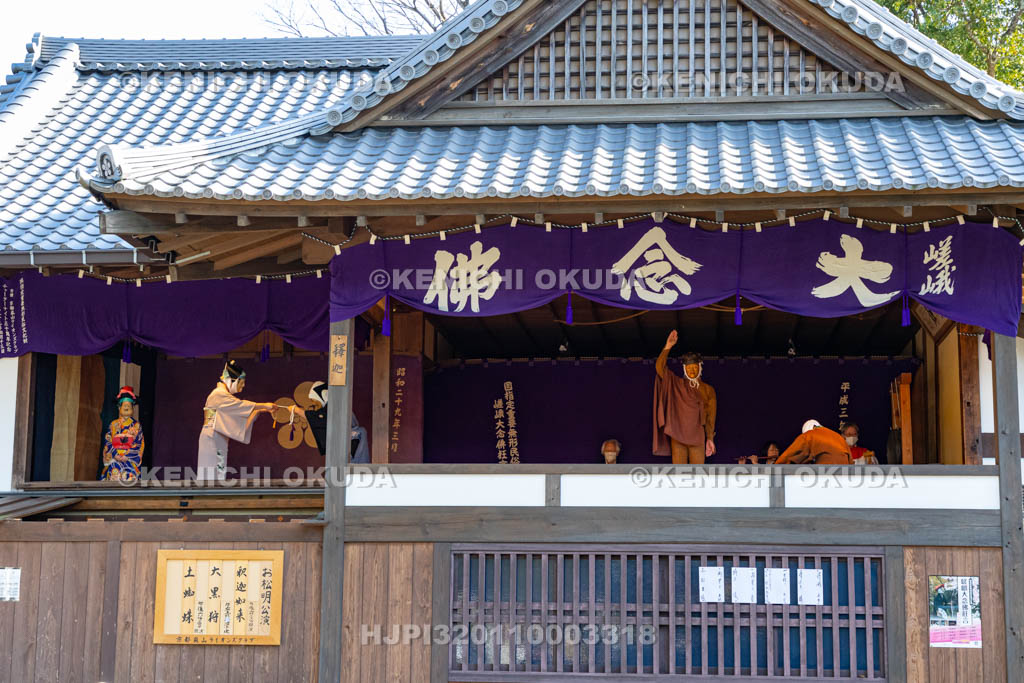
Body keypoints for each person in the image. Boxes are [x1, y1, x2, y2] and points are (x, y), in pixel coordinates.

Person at [197, 360, 276, 480]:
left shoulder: (223, 396)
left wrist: (260, 410)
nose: (243, 386)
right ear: (232, 380)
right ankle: (207, 497)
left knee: (218, 472)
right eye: (241, 382)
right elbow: (240, 406)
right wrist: (264, 405)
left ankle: (214, 496)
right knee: (211, 472)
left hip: (217, 435)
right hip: (211, 435)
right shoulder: (218, 394)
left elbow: (240, 411)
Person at [653, 330, 717, 464]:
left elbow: (711, 417)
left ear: (700, 367)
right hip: (677, 434)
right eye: (688, 368)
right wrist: (668, 346)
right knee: (679, 474)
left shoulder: (708, 389)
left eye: (694, 367)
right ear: (684, 369)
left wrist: (710, 438)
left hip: (698, 435)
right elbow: (660, 368)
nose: (692, 371)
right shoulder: (676, 383)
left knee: (698, 474)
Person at [299, 381, 369, 463]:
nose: (315, 405)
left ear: (322, 396)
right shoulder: (334, 408)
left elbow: (317, 418)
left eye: (315, 401)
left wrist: (295, 410)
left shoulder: (334, 407)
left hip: (353, 445)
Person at [100, 386, 144, 482]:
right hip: (114, 459)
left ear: (133, 408)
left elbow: (139, 444)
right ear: (119, 407)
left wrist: (126, 456)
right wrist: (115, 454)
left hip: (129, 460)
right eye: (124, 406)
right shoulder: (113, 424)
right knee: (113, 473)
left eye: (129, 406)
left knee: (129, 479)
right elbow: (108, 440)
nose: (126, 408)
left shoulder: (136, 426)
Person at [774, 419, 853, 465]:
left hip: (825, 476)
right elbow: (851, 462)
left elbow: (790, 455)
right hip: (843, 478)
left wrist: (775, 466)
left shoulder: (809, 435)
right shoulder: (839, 437)